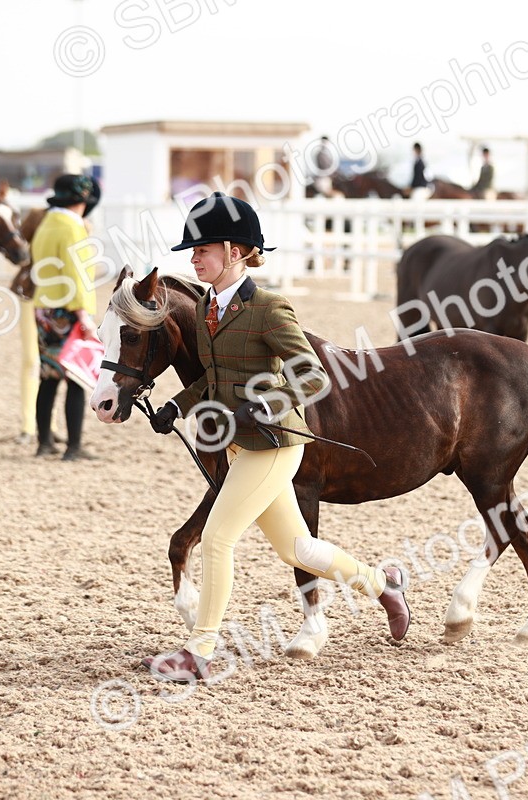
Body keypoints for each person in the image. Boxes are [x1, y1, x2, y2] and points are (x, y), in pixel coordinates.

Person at [143, 191, 410, 683]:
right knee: (299, 550)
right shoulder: (207, 308)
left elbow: (311, 375)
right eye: (192, 251)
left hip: (274, 446)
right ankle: (384, 583)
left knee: (219, 538)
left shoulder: (268, 308)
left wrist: (268, 402)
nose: (193, 258)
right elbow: (210, 376)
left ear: (235, 251)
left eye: (202, 249)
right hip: (238, 444)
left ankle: (199, 651)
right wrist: (173, 407)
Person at [29, 174, 102, 461]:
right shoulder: (72, 228)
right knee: (76, 377)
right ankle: (74, 446)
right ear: (83, 201)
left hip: (44, 308)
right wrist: (83, 315)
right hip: (68, 309)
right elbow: (76, 275)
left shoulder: (46, 224)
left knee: (48, 377)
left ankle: (44, 441)